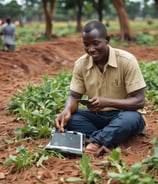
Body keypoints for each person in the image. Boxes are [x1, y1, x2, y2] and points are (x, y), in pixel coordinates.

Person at [55, 20, 146, 155]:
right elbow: (74, 96)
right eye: (86, 45)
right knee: (69, 120)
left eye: (96, 43)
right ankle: (109, 136)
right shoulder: (81, 64)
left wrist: (107, 102)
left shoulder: (127, 61)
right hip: (96, 117)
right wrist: (67, 110)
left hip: (122, 114)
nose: (91, 49)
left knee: (131, 119)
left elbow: (139, 101)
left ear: (107, 40)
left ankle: (96, 141)